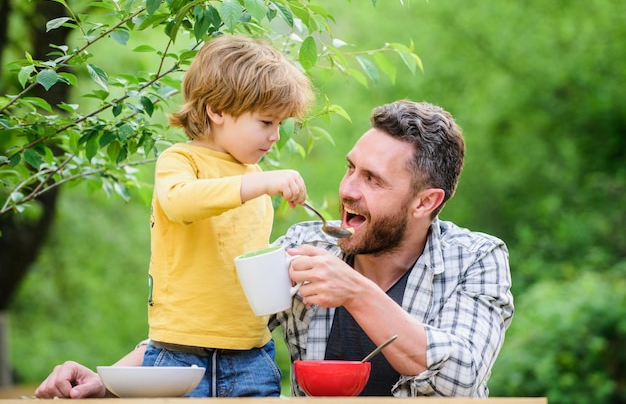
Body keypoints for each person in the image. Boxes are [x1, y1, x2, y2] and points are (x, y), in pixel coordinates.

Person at [35, 100, 514, 399]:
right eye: (351, 169)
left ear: (425, 202)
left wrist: (357, 294)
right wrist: (111, 382)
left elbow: (462, 380)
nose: (348, 189)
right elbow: (214, 328)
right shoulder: (306, 247)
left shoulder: (475, 258)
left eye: (372, 180)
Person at [134, 34, 311, 398]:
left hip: (251, 355)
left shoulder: (255, 177)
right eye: (266, 122)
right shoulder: (181, 161)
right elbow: (180, 203)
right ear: (216, 110)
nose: (275, 136)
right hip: (179, 356)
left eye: (280, 125)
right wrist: (259, 186)